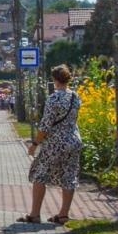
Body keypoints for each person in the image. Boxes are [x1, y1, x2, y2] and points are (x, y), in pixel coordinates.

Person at [19, 64, 83, 225]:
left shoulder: (53, 98)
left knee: (40, 174)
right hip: (74, 140)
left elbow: (46, 125)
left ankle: (34, 214)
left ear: (54, 79)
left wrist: (35, 144)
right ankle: (63, 215)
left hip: (56, 142)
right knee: (69, 176)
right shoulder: (75, 97)